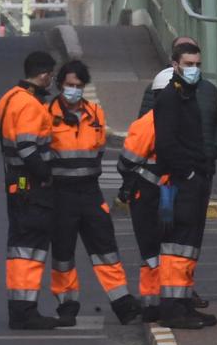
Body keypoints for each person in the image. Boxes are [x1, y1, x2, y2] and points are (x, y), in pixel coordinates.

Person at [46, 61, 144, 327]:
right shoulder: (46, 115)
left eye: (78, 86)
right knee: (63, 254)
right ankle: (67, 305)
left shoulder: (95, 114)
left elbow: (98, 149)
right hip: (60, 194)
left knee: (106, 250)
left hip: (90, 192)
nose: (74, 90)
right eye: (69, 85)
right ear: (59, 85)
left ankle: (122, 303)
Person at [140, 37, 217, 311]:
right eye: (189, 64)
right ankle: (173, 304)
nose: (194, 69)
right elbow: (164, 142)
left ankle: (182, 299)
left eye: (198, 64)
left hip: (198, 175)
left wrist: (205, 159)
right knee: (176, 243)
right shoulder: (168, 96)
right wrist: (186, 172)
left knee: (188, 245)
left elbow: (215, 128)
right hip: (180, 181)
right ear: (175, 65)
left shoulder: (198, 93)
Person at [0, 52, 62, 331]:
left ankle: (20, 308)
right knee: (31, 246)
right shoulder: (30, 105)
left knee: (19, 247)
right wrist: (45, 175)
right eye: (51, 76)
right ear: (44, 74)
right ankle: (26, 312)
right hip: (29, 183)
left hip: (16, 180)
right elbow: (27, 147)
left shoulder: (8, 98)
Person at [116, 109, 165, 322]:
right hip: (173, 194)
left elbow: (126, 162)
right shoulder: (185, 118)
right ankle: (172, 300)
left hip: (147, 194)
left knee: (150, 248)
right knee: (171, 248)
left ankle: (152, 303)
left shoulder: (148, 122)